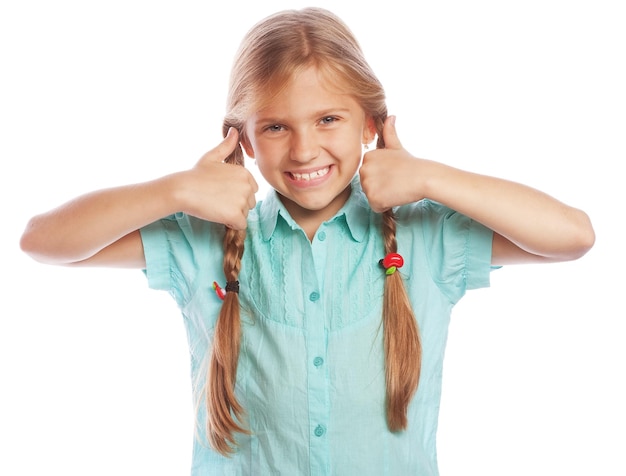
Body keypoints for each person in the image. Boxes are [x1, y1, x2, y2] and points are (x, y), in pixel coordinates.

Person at [20, 7, 595, 475]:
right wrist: (177, 190)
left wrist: (429, 177)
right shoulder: (203, 241)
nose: (302, 150)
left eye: (328, 120)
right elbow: (42, 241)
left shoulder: (426, 236)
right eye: (275, 126)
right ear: (241, 139)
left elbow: (572, 235)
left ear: (370, 124)